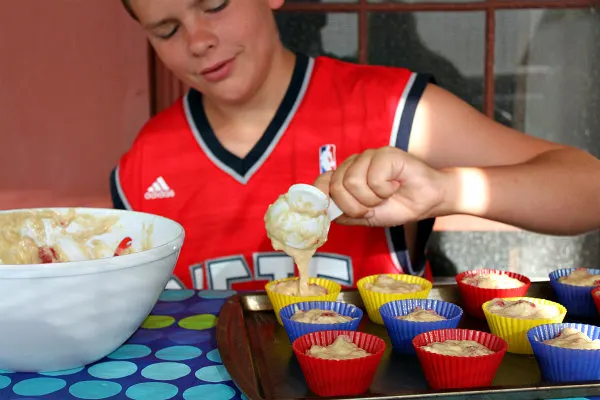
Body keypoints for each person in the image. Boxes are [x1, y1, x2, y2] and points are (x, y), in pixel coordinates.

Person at [111, 0, 600, 291]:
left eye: (214, 3)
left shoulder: (393, 108)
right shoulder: (141, 168)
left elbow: (588, 189)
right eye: (167, 30)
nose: (198, 40)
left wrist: (448, 190)